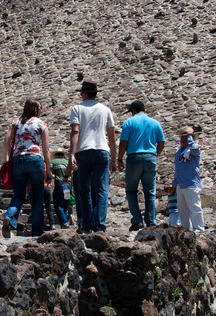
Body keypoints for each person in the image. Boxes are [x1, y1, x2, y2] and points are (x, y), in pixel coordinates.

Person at [69, 80, 117, 233]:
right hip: (101, 150)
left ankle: (87, 223)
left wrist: (71, 153)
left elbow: (75, 131)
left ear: (84, 93)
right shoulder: (105, 110)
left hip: (83, 151)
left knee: (84, 189)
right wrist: (114, 158)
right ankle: (100, 223)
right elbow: (111, 136)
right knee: (101, 189)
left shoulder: (77, 109)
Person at [2, 99, 51, 238]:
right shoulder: (41, 124)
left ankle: (10, 216)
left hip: (18, 160)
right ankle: (36, 232)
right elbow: (46, 149)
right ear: (36, 109)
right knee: (37, 198)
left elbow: (6, 140)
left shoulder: (16, 122)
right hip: (35, 159)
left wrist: (7, 157)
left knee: (18, 195)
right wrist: (49, 170)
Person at [117, 100, 166, 230]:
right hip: (150, 157)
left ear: (133, 111)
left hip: (134, 157)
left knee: (131, 190)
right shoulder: (155, 123)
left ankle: (137, 220)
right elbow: (161, 143)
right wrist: (156, 154)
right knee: (150, 191)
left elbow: (123, 142)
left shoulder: (129, 122)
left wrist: (119, 158)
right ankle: (151, 221)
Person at [172, 126, 204, 232]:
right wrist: (174, 184)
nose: (184, 141)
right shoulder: (178, 152)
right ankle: (186, 229)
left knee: (194, 207)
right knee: (182, 210)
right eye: (183, 138)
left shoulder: (194, 148)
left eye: (186, 138)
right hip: (181, 184)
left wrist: (190, 137)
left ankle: (199, 228)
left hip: (191, 183)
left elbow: (194, 149)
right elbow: (178, 169)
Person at [50, 147, 72, 228]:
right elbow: (71, 175)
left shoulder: (53, 162)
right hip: (68, 185)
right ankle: (65, 222)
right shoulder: (67, 162)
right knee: (65, 204)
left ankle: (64, 222)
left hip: (59, 184)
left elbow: (51, 174)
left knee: (58, 204)